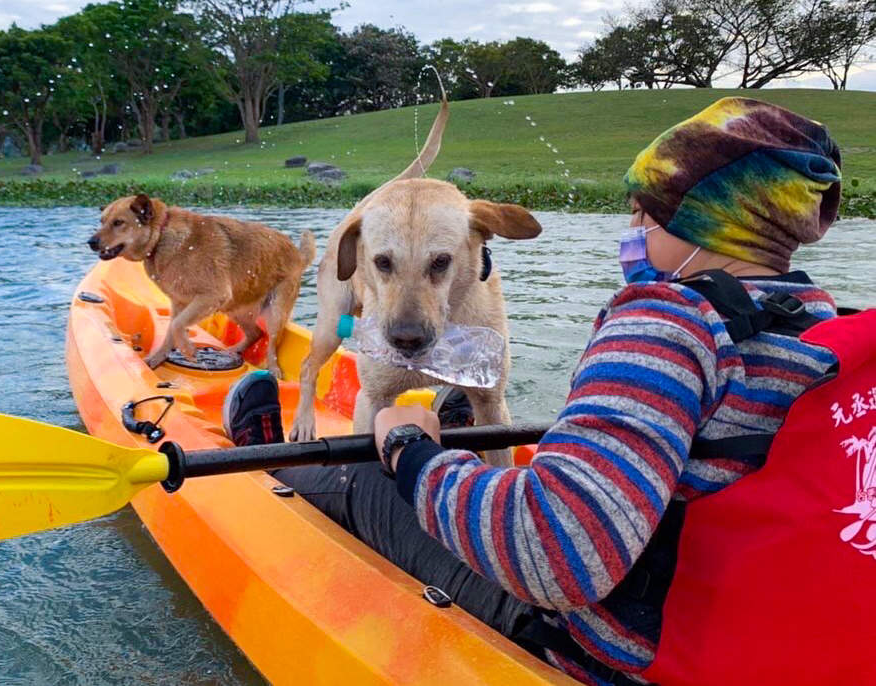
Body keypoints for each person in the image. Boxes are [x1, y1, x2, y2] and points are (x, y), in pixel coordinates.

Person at [222, 97, 844, 685]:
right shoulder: (826, 328)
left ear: (711, 225)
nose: (632, 226)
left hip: (584, 640)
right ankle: (462, 429)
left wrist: (411, 450)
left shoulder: (665, 326)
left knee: (356, 478)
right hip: (714, 630)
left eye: (648, 212)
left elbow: (556, 558)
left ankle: (269, 457)